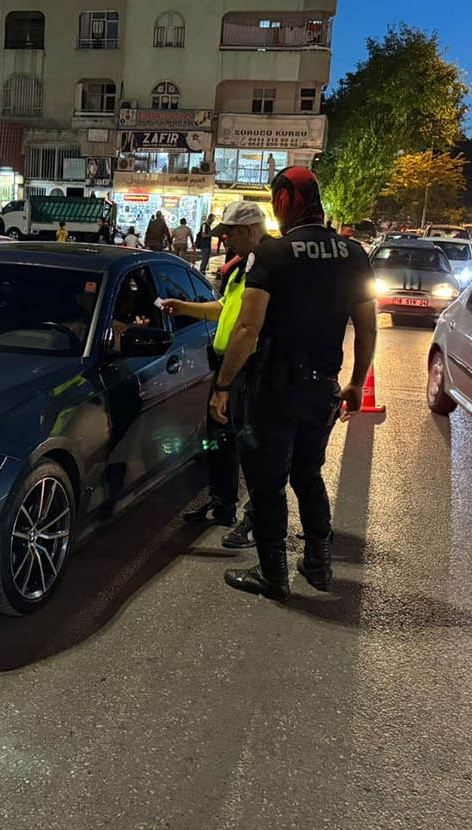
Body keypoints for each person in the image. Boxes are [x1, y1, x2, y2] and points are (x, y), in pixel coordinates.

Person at [212, 167, 377, 601]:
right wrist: (357, 383)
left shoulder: (274, 255)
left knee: (268, 482)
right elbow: (367, 328)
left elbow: (247, 329)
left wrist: (224, 385)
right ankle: (319, 566)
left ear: (284, 202)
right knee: (308, 474)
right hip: (323, 387)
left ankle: (273, 574)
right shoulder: (353, 253)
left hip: (274, 390)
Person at [162, 201, 269, 545]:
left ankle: (258, 520)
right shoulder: (242, 267)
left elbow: (246, 329)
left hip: (248, 370)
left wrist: (225, 385)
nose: (225, 242)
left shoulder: (268, 267)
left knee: (251, 448)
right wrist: (184, 308)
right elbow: (224, 309)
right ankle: (223, 504)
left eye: (231, 235)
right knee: (219, 441)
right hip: (226, 366)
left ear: (251, 230)